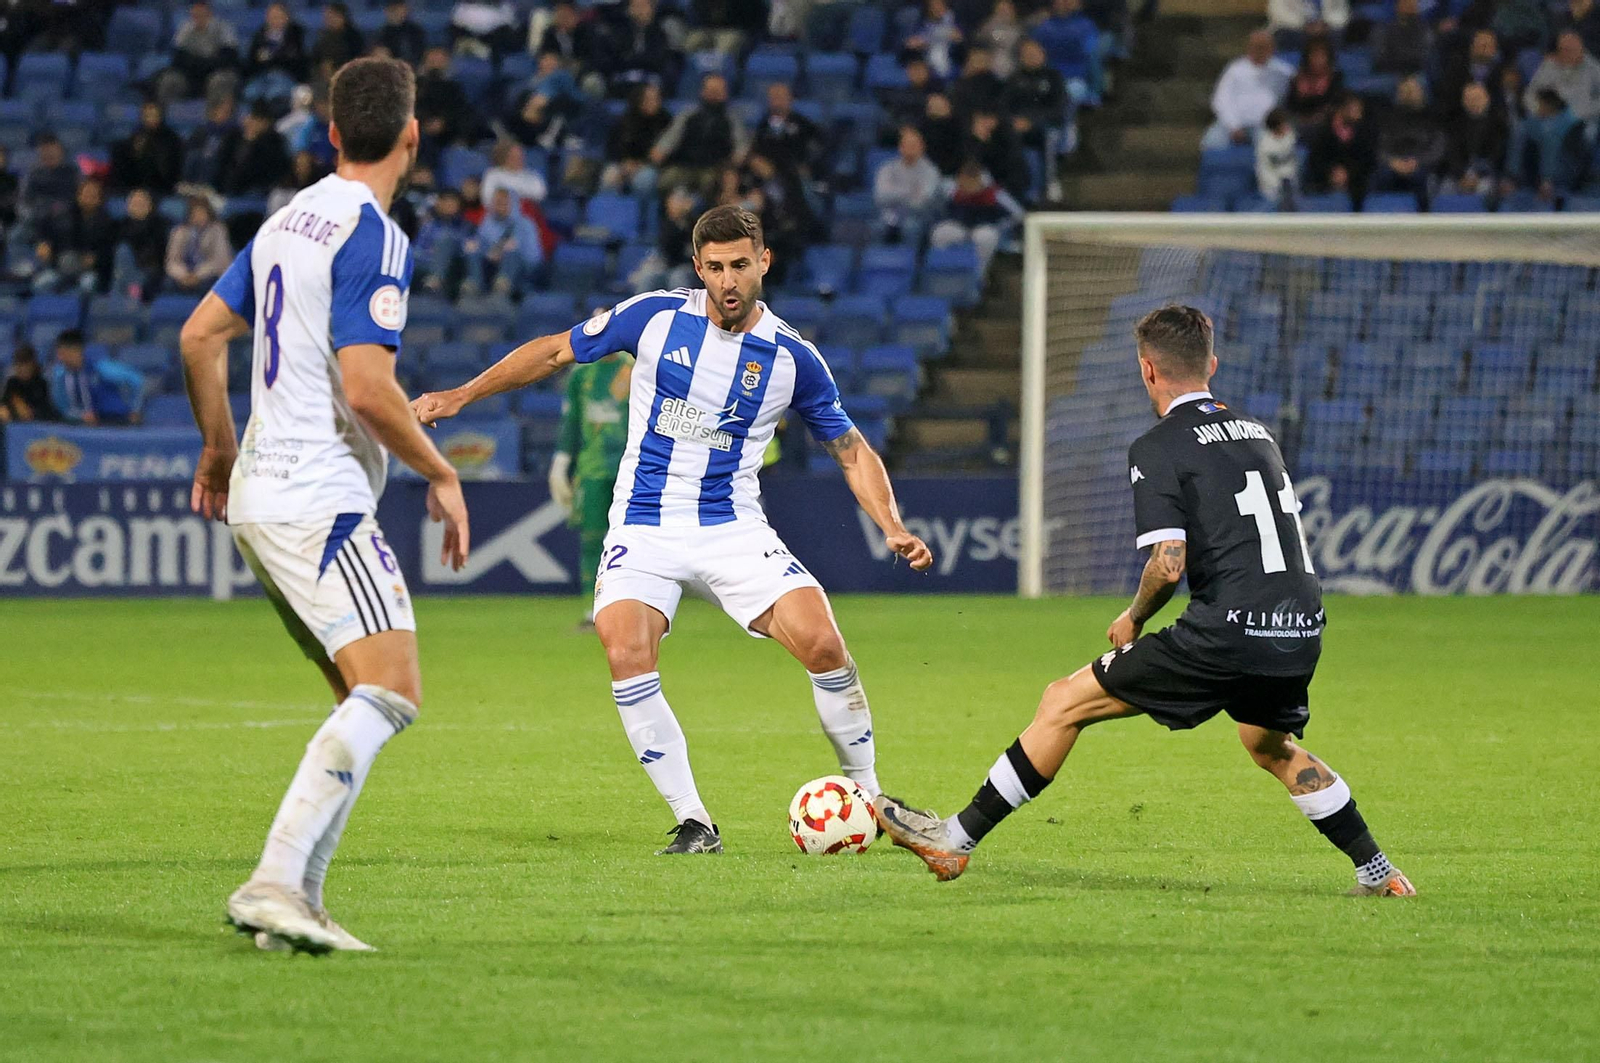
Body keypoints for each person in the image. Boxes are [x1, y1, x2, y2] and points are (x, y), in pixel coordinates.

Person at [412, 205, 934, 855]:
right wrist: (459, 396)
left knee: (824, 643)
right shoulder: (654, 317)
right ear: (697, 269)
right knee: (625, 648)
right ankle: (694, 820)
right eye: (714, 268)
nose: (729, 281)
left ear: (763, 262)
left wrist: (891, 524)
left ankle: (871, 794)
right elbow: (552, 352)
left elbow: (852, 448)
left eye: (740, 265)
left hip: (734, 527)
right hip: (645, 525)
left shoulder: (792, 358)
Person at [874, 305, 1415, 899]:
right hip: (1301, 626)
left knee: (1062, 703)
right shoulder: (1260, 435)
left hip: (1227, 631)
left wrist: (1133, 617)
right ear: (1211, 364)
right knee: (1269, 744)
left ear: (1147, 371)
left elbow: (1168, 563)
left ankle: (954, 841)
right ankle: (1378, 870)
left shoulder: (1159, 446)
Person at [180, 55, 470, 954]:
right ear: (412, 137)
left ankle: (297, 901)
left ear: (334, 133)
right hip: (318, 500)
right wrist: (443, 472)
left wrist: (221, 450)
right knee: (392, 686)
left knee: (360, 689)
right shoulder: (375, 236)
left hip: (263, 499)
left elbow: (198, 337)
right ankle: (273, 882)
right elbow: (370, 388)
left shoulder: (282, 224)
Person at [551, 347, 633, 629]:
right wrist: (561, 463)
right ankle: (593, 609)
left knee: (636, 542)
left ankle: (635, 610)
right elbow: (571, 422)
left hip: (632, 468)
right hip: (592, 468)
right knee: (592, 539)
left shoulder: (634, 370)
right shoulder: (581, 374)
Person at [1201, 29, 1293, 150]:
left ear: (1272, 49)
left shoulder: (1282, 71)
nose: (1259, 51)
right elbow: (1220, 99)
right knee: (1211, 143)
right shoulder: (1235, 69)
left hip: (1265, 125)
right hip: (1231, 123)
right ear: (1248, 48)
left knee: (1272, 147)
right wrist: (1234, 126)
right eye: (1256, 47)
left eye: (1263, 47)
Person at [48, 329, 146, 425]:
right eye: (59, 354)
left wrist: (135, 410)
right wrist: (81, 415)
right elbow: (62, 406)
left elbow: (137, 380)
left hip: (114, 421)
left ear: (76, 351)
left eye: (63, 354)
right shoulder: (60, 375)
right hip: (83, 423)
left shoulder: (101, 367)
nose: (60, 358)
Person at [1376, 75, 1445, 208]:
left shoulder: (1433, 117)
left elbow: (1438, 147)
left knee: (1424, 179)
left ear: (1422, 92)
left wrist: (1418, 161)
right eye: (1405, 91)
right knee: (1380, 176)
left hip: (1422, 166)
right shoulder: (1389, 119)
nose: (1409, 94)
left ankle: (1425, 221)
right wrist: (1392, 162)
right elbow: (1380, 146)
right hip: (1393, 165)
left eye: (1413, 90)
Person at [464, 186, 544, 295]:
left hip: (520, 267)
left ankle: (502, 286)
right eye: (496, 202)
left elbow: (534, 257)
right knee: (472, 248)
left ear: (513, 204)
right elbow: (482, 243)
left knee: (512, 252)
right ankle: (474, 285)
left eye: (504, 203)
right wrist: (479, 248)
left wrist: (509, 251)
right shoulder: (487, 222)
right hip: (491, 263)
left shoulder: (526, 224)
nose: (499, 206)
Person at [874, 125, 943, 246]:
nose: (911, 148)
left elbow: (921, 202)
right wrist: (910, 192)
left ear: (922, 147)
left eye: (915, 145)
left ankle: (911, 264)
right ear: (900, 147)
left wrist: (895, 196)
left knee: (910, 227)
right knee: (876, 227)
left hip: (919, 217)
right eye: (907, 144)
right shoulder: (887, 168)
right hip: (890, 215)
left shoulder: (931, 171)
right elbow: (880, 197)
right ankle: (877, 264)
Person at [1306, 91, 1377, 205]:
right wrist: (1331, 172)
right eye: (1355, 109)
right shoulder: (1323, 130)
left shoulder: (1365, 130)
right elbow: (1315, 160)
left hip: (1356, 185)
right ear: (1342, 109)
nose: (1359, 114)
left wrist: (1348, 173)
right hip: (1325, 182)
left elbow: (1368, 160)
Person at [602, 83, 671, 196]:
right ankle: (608, 212)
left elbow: (662, 153)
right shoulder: (625, 120)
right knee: (609, 176)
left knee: (645, 180)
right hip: (623, 163)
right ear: (639, 100)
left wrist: (640, 164)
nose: (655, 102)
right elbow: (612, 148)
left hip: (650, 167)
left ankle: (643, 212)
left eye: (657, 98)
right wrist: (623, 164)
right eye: (649, 99)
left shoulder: (666, 121)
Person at [1442, 82, 1510, 196]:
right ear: (1463, 102)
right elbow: (1452, 153)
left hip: (1487, 173)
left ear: (1487, 99)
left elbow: (1497, 153)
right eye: (1469, 99)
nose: (1473, 102)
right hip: (1460, 174)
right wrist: (1461, 176)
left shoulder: (1498, 122)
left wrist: (1478, 175)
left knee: (1483, 189)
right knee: (1445, 190)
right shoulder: (1455, 123)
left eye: (1477, 98)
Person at [217, 100, 293, 196]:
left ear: (265, 123)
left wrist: (251, 145)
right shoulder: (233, 137)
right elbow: (222, 164)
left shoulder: (274, 142)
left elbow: (265, 171)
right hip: (230, 188)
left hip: (261, 190)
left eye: (256, 119)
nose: (250, 122)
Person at [109, 101, 184, 197]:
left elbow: (170, 170)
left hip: (162, 187)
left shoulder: (172, 140)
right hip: (134, 186)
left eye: (154, 115)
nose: (151, 119)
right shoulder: (136, 137)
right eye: (147, 115)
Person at [1524, 29, 1600, 124]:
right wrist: (1538, 108)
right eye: (1567, 50)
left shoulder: (1590, 64)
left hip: (1584, 120)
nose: (1577, 53)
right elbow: (1530, 94)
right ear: (1559, 51)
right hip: (1552, 120)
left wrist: (1586, 110)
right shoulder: (1550, 66)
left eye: (1578, 48)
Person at [165, 194, 233, 293]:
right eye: (195, 213)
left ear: (208, 213)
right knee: (167, 284)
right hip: (184, 275)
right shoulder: (179, 231)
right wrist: (183, 275)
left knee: (209, 287)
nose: (198, 216)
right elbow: (172, 260)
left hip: (210, 273)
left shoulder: (218, 230)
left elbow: (220, 260)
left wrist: (197, 275)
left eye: (201, 213)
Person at [113, 188, 170, 299]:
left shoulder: (160, 225)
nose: (138, 206)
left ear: (150, 205)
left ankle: (133, 293)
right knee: (122, 251)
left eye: (142, 203)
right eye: (134, 202)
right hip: (123, 270)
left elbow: (160, 252)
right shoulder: (118, 226)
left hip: (150, 269)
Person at [1285, 38, 1342, 129]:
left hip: (1324, 124)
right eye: (1314, 55)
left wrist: (1317, 117)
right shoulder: (1297, 78)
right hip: (1299, 121)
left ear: (1328, 57)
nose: (1317, 59)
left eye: (1321, 56)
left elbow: (1334, 104)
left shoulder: (1336, 78)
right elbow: (1291, 105)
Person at [246, 1, 309, 83]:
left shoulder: (297, 34)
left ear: (286, 17)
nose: (274, 20)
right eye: (271, 16)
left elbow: (298, 59)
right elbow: (252, 60)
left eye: (278, 16)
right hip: (261, 76)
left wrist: (272, 58)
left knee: (275, 91)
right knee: (251, 91)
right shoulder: (259, 36)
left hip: (288, 76)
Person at [0, 344, 61, 423]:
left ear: (32, 365)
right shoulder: (12, 383)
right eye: (18, 365)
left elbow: (47, 410)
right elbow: (4, 404)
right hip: (14, 425)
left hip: (38, 426)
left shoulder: (41, 383)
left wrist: (30, 413)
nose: (21, 369)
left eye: (25, 365)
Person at [1256, 106, 1299, 206]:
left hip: (1291, 184)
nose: (1287, 126)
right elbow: (1264, 172)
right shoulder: (1266, 144)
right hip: (1272, 187)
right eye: (1284, 123)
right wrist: (1279, 185)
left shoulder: (1291, 136)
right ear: (1276, 126)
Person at [377, 0, 427, 66]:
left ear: (406, 10)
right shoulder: (382, 33)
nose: (396, 13)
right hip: (392, 69)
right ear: (387, 11)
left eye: (399, 9)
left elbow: (421, 51)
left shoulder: (416, 31)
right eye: (393, 10)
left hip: (415, 67)